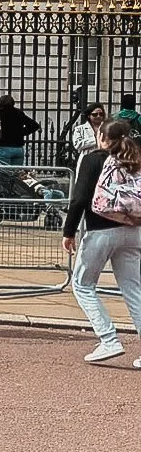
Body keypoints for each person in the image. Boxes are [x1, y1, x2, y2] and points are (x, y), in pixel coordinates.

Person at [65, 117, 141, 365]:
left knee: (83, 284)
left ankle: (109, 340)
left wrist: (69, 231)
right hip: (133, 229)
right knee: (134, 290)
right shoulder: (135, 158)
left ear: (102, 138)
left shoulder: (93, 159)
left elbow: (80, 198)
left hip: (100, 230)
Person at [0, 95, 39, 173]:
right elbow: (34, 125)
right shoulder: (19, 113)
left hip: (3, 148)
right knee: (16, 176)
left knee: (4, 176)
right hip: (18, 149)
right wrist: (22, 132)